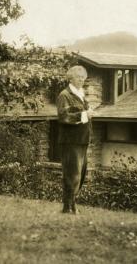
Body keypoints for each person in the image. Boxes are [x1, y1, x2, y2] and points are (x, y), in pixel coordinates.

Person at [56, 65, 93, 214]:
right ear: (70, 78)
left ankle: (72, 205)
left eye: (83, 77)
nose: (82, 80)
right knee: (72, 173)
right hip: (71, 140)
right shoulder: (64, 95)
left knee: (80, 174)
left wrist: (88, 112)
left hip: (82, 139)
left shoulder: (80, 94)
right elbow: (64, 117)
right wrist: (85, 115)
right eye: (79, 77)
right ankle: (68, 206)